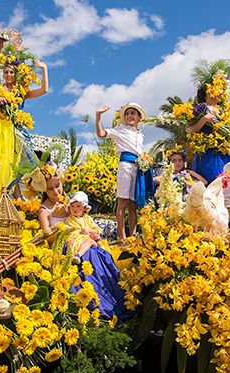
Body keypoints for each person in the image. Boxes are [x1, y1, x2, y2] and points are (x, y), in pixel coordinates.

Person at [26, 167, 129, 319]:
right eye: (50, 188)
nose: (56, 191)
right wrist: (68, 233)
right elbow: (46, 236)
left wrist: (88, 231)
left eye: (58, 186)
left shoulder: (68, 202)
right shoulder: (44, 209)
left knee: (100, 254)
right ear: (44, 191)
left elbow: (82, 217)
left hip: (80, 239)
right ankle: (95, 302)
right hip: (63, 244)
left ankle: (111, 298)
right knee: (90, 256)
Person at [0, 59, 48, 196]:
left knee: (15, 167)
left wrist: (44, 69)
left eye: (12, 72)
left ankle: (13, 200)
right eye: (6, 72)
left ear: (16, 75)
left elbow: (44, 90)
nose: (8, 75)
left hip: (14, 131)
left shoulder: (21, 92)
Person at [64, 191, 129, 319]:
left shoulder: (88, 218)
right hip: (76, 239)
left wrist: (94, 233)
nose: (75, 209)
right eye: (73, 206)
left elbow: (95, 229)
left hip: (87, 240)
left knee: (95, 246)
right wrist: (84, 231)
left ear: (84, 208)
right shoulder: (70, 219)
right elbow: (71, 230)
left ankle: (78, 255)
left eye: (78, 206)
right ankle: (76, 255)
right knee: (86, 243)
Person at [96, 103, 151, 241]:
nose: (129, 116)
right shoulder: (120, 129)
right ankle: (122, 237)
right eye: (127, 113)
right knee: (123, 202)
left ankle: (133, 237)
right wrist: (98, 116)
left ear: (139, 117)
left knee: (133, 204)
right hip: (125, 165)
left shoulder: (141, 134)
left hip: (137, 167)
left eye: (133, 113)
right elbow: (101, 133)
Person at [188, 78, 230, 184]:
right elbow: (190, 130)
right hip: (209, 155)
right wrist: (204, 119)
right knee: (215, 184)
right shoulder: (199, 109)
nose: (220, 93)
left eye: (222, 90)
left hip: (226, 154)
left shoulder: (224, 110)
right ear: (208, 92)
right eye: (218, 89)